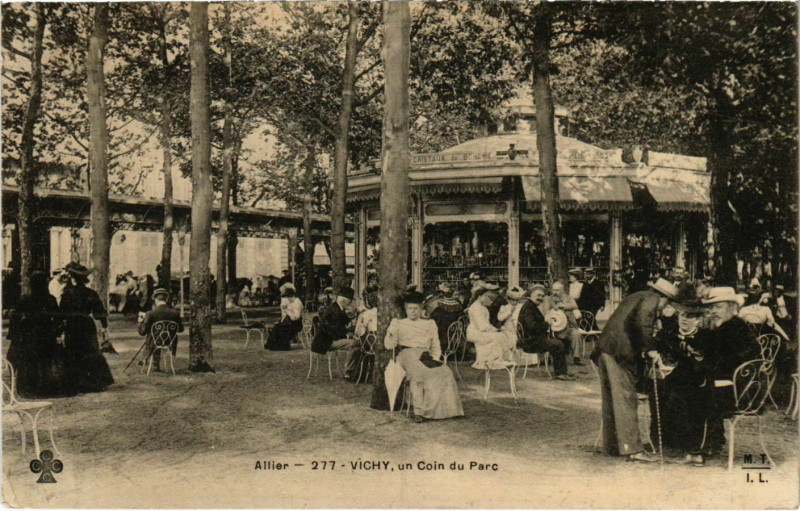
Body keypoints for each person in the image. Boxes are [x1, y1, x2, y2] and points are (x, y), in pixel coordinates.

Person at [590, 277, 678, 462]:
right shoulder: (652, 299)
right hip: (620, 352)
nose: (665, 308)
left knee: (611, 400)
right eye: (668, 303)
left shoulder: (637, 296)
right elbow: (642, 323)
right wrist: (651, 349)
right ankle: (634, 449)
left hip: (605, 349)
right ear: (663, 297)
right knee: (626, 399)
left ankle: (614, 446)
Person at [647, 283, 714, 466]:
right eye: (683, 315)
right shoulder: (669, 333)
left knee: (686, 397)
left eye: (691, 317)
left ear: (698, 319)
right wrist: (653, 352)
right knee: (657, 390)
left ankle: (693, 446)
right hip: (675, 378)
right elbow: (654, 345)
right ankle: (663, 440)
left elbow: (707, 365)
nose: (685, 320)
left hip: (698, 381)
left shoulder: (705, 337)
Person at [384, 291, 464, 421]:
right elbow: (389, 346)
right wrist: (390, 332)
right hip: (406, 354)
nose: (413, 311)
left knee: (445, 371)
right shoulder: (399, 323)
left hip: (425, 355)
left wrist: (435, 358)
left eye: (416, 308)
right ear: (406, 309)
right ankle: (419, 412)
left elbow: (436, 344)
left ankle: (449, 409)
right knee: (418, 373)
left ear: (421, 309)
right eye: (410, 308)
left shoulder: (429, 323)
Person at [702, 287, 761, 456]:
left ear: (732, 308)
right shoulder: (734, 325)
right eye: (711, 307)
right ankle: (713, 439)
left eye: (718, 307)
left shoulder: (729, 329)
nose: (713, 311)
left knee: (694, 390)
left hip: (740, 392)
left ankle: (704, 441)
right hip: (744, 386)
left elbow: (722, 362)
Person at [6, 271, 72, 398]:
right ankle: (45, 386)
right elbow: (58, 319)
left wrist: (14, 334)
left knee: (29, 360)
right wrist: (56, 332)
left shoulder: (25, 299)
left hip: (29, 333)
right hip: (45, 333)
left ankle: (30, 386)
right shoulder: (50, 299)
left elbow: (15, 318)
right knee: (45, 360)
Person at [59, 262, 115, 394]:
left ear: (72, 278)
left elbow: (61, 314)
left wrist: (60, 329)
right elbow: (99, 312)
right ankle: (93, 382)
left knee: (73, 352)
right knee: (90, 351)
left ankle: (75, 383)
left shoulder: (67, 294)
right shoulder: (91, 293)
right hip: (86, 325)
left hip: (72, 325)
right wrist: (105, 327)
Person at [518, 284, 574, 381]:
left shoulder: (531, 306)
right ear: (531, 295)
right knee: (558, 344)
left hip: (533, 339)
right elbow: (532, 327)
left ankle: (562, 371)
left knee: (558, 342)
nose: (540, 298)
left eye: (542, 296)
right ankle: (560, 373)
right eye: (538, 295)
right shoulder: (529, 308)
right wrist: (547, 324)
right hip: (531, 342)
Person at [465, 284, 515, 370]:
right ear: (480, 296)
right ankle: (491, 361)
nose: (490, 300)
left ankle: (498, 359)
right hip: (475, 332)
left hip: (481, 331)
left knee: (503, 335)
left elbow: (485, 325)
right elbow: (482, 326)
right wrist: (495, 330)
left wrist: (495, 330)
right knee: (498, 336)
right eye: (487, 297)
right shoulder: (476, 308)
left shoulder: (481, 307)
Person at [137, 288, 184, 371]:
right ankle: (151, 362)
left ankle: (147, 359)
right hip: (170, 341)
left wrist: (140, 322)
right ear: (166, 299)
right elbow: (180, 329)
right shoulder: (175, 313)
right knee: (156, 335)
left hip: (155, 341)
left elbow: (142, 332)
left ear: (155, 299)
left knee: (152, 336)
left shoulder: (151, 313)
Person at [541, 281, 584, 365]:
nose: (555, 292)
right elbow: (546, 311)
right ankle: (547, 358)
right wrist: (554, 311)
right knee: (546, 335)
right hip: (553, 328)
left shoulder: (568, 298)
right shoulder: (548, 299)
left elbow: (575, 306)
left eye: (557, 290)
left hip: (567, 328)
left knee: (576, 333)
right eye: (553, 290)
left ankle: (576, 358)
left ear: (562, 290)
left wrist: (563, 306)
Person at [311, 286, 356, 360]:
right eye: (349, 302)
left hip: (325, 340)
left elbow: (342, 321)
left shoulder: (335, 307)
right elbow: (335, 330)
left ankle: (352, 365)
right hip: (326, 342)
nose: (350, 304)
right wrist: (347, 335)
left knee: (355, 342)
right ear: (344, 301)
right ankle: (349, 367)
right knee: (354, 344)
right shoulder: (335, 311)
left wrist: (352, 316)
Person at [344, 291, 378, 382]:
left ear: (368, 303)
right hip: (381, 343)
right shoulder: (384, 312)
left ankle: (354, 372)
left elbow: (359, 331)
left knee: (357, 345)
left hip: (371, 344)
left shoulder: (367, 314)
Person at [265, 283, 304, 351]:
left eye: (287, 297)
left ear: (290, 295)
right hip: (291, 322)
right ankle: (273, 345)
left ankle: (280, 345)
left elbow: (296, 317)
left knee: (279, 327)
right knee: (277, 326)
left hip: (296, 324)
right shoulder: (292, 302)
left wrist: (287, 311)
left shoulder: (296, 302)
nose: (286, 299)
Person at [428, 287, 464, 355]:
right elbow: (462, 319)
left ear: (443, 294)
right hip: (456, 335)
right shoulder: (459, 305)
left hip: (442, 335)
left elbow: (432, 319)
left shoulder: (439, 307)